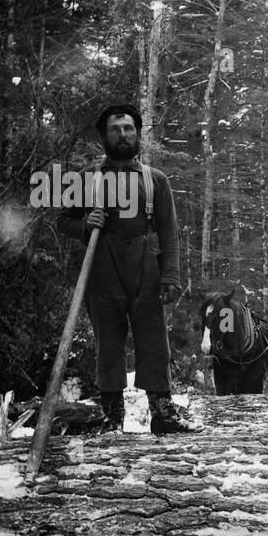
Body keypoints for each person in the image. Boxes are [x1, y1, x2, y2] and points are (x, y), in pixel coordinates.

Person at [57, 103, 199, 434]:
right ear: (104, 136)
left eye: (129, 128)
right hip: (102, 267)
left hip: (146, 266)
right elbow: (63, 220)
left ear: (138, 133)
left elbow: (169, 231)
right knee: (108, 343)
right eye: (115, 129)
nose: (123, 135)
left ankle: (162, 414)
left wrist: (171, 275)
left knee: (154, 343)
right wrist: (84, 224)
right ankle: (112, 417)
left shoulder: (155, 180)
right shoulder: (87, 180)